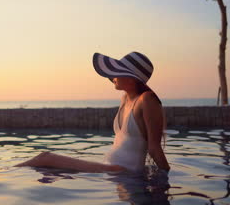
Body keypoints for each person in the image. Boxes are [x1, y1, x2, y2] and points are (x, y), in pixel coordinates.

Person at [15, 51, 171, 173]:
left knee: (45, 158)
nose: (112, 76)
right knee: (47, 173)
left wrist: (168, 179)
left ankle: (7, 173)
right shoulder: (125, 99)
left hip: (122, 171)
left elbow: (154, 147)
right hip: (112, 171)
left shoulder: (147, 100)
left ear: (131, 78)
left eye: (118, 71)